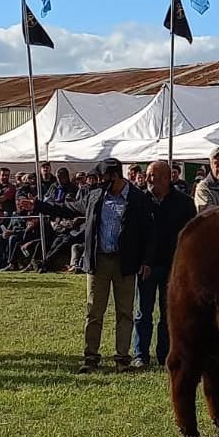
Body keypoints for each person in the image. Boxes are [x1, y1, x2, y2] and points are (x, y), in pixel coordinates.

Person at [77, 157, 154, 374]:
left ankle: (122, 359)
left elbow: (148, 232)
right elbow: (69, 207)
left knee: (125, 312)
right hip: (99, 261)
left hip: (124, 263)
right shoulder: (95, 196)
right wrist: (37, 205)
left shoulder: (137, 198)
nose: (99, 182)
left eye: (102, 178)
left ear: (115, 176)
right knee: (94, 311)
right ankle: (90, 357)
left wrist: (146, 261)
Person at [132, 160, 195, 370]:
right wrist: (141, 261)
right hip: (147, 266)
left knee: (169, 314)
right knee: (143, 313)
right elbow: (136, 234)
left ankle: (165, 354)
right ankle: (140, 354)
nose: (149, 179)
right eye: (148, 174)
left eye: (154, 175)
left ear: (168, 178)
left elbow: (189, 236)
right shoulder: (140, 200)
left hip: (173, 267)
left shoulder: (184, 203)